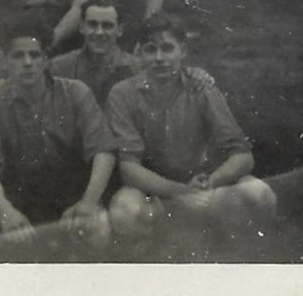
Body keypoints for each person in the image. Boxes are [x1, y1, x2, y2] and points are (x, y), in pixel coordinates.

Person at [106, 13, 277, 239]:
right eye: (150, 49)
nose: (159, 58)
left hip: (205, 187)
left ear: (183, 51)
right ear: (139, 53)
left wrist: (209, 183)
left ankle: (233, 256)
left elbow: (243, 156)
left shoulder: (201, 87)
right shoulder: (122, 94)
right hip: (156, 192)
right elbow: (129, 169)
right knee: (124, 210)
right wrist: (181, 191)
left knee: (260, 194)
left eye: (168, 48)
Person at [0, 18, 116, 242]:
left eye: (35, 55)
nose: (27, 63)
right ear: (5, 61)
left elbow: (103, 152)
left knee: (99, 224)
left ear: (45, 59)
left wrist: (88, 203)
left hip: (71, 198)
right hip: (18, 200)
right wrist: (5, 210)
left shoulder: (75, 93)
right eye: (18, 56)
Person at [47, 0, 140, 107]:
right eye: (92, 24)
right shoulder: (59, 67)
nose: (99, 32)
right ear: (82, 27)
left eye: (107, 26)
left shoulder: (137, 69)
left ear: (120, 30)